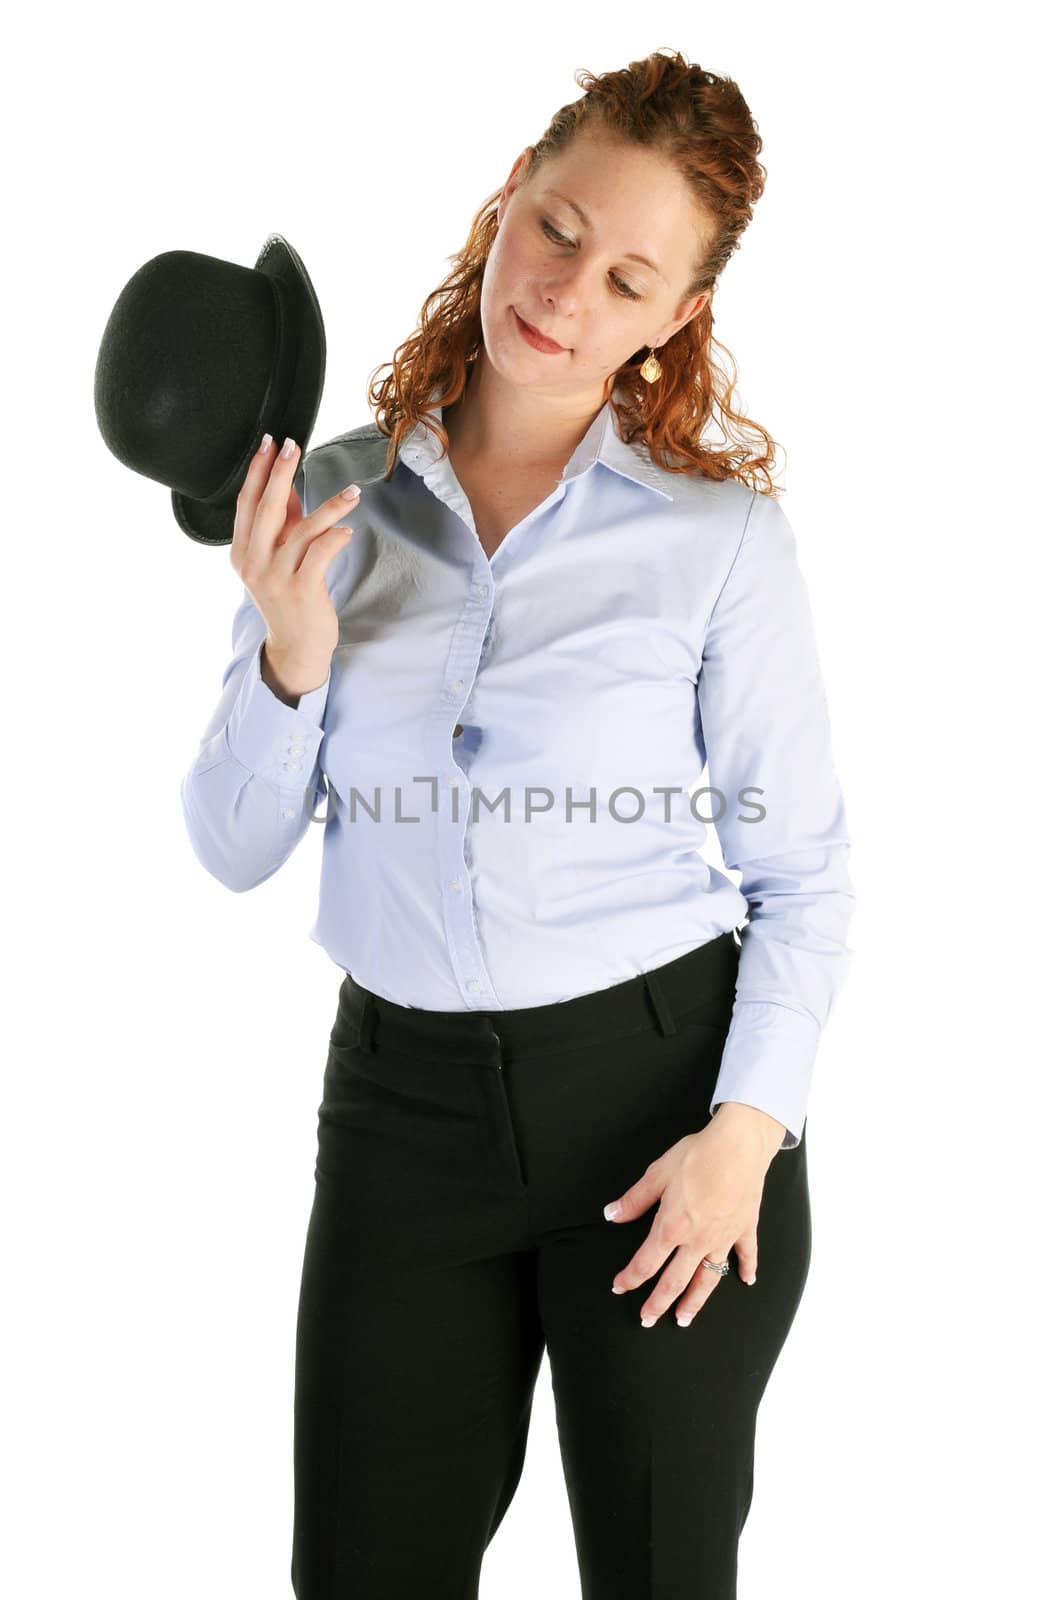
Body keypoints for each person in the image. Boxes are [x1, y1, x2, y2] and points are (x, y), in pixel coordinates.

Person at [181, 48, 856, 1600]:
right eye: (557, 229)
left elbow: (803, 874)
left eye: (628, 277)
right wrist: (292, 653)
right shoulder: (329, 504)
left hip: (663, 1128)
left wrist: (741, 1139)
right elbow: (229, 848)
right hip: (401, 1120)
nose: (564, 293)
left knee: (658, 1574)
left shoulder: (718, 542)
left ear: (674, 321)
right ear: (509, 198)